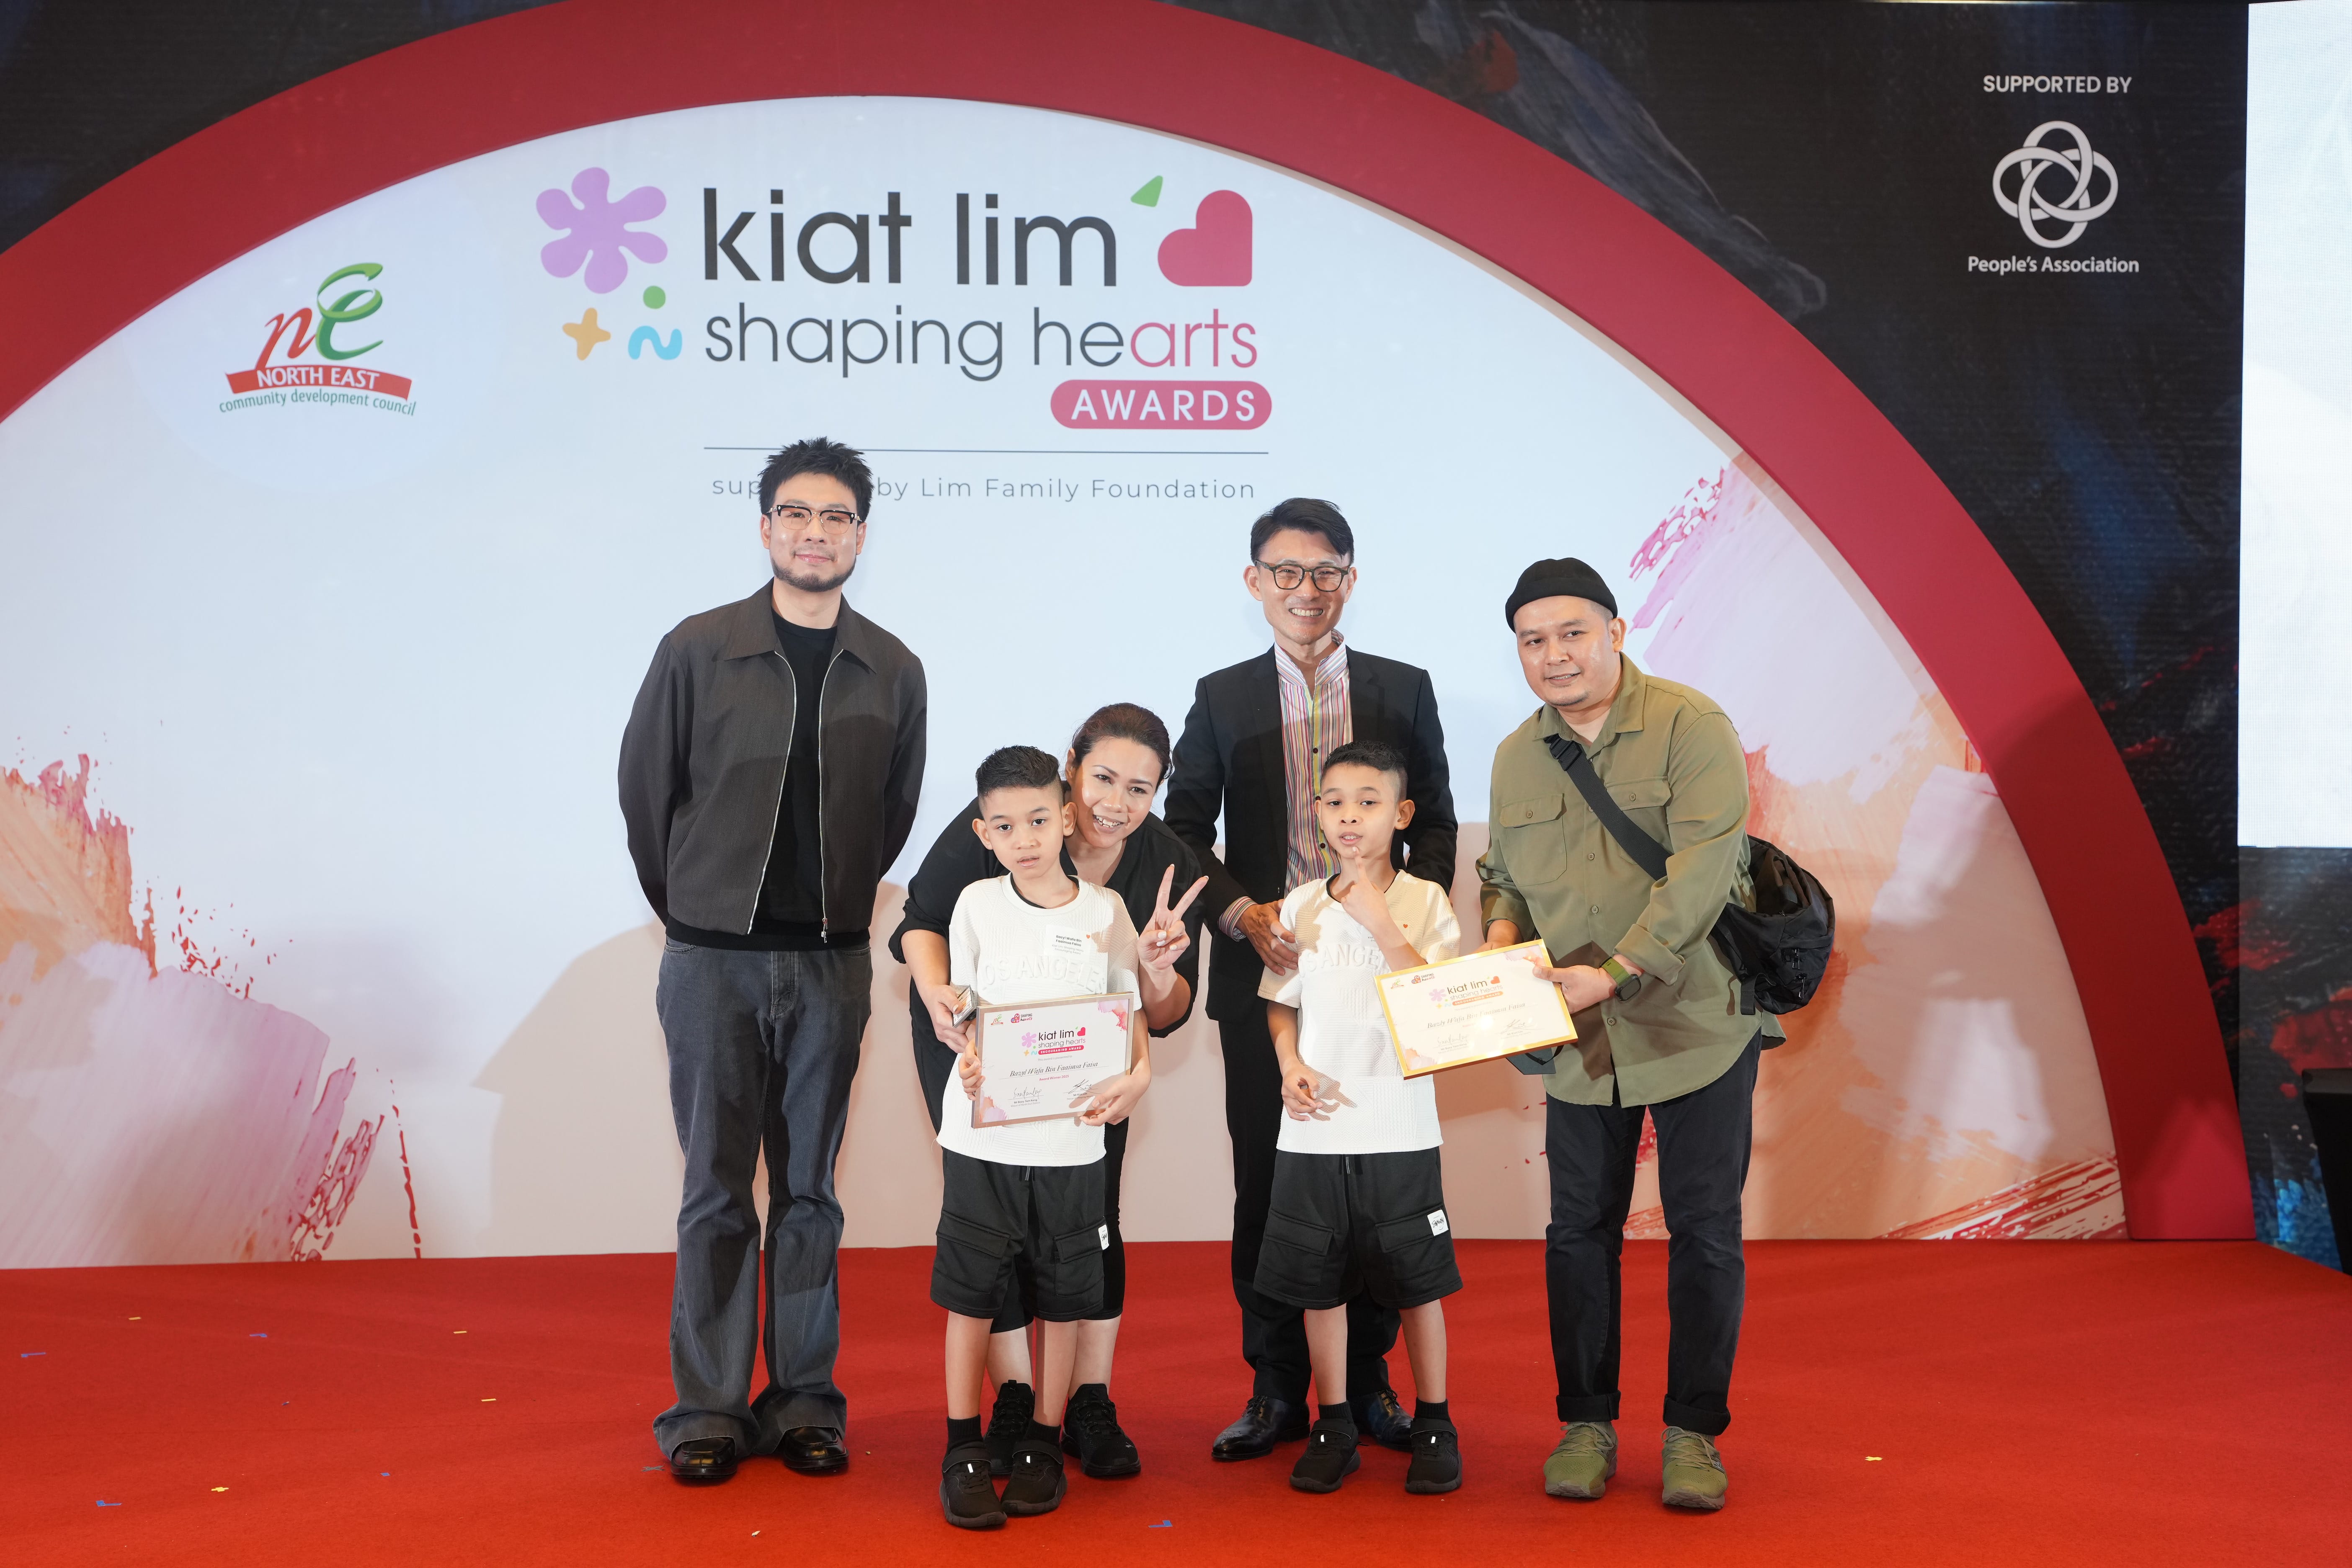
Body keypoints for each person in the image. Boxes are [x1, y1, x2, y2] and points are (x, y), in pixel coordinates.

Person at [617, 437, 926, 1484]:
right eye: (796, 514)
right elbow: (645, 796)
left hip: (833, 965)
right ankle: (705, 1409)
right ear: (764, 527)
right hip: (710, 964)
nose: (814, 533)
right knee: (714, 1190)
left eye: (836, 518)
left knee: (810, 1194)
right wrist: (698, 911)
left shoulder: (893, 667)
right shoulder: (699, 649)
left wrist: (834, 912)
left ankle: (804, 1402)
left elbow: (893, 816)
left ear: (861, 536)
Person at [1475, 557, 1773, 1513]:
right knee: (1576, 1235)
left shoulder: (1692, 725)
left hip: (1694, 1024)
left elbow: (1700, 874)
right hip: (1576, 1041)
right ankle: (1587, 1425)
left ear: (1616, 629)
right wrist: (1500, 938)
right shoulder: (1518, 753)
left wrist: (1613, 972)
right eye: (1533, 640)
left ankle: (1693, 1436)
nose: (1554, 656)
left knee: (1705, 1234)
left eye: (1572, 633)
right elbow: (1505, 874)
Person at [1165, 497, 1459, 1461]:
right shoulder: (1220, 695)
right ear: (1255, 582)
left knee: (1376, 1188)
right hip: (1271, 977)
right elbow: (1183, 830)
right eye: (1285, 573)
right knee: (1271, 1186)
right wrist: (1241, 914)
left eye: (1325, 571)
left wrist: (1405, 925)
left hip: (1380, 981)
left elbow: (1442, 826)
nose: (1306, 590)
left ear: (1351, 577)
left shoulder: (1403, 689)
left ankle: (1367, 1385)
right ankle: (1276, 1386)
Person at [890, 704, 1207, 1481]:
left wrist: (1158, 974)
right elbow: (923, 922)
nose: (1116, 802)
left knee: (1089, 1222)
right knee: (989, 1230)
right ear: (1071, 772)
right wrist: (941, 1001)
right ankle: (1014, 1396)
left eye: (1141, 788)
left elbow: (1160, 1012)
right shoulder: (1005, 816)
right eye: (1103, 778)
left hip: (1088, 1079)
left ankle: (1084, 1399)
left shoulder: (1149, 867)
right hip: (970, 1044)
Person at [931, 746, 1154, 1529]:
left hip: (1073, 1144)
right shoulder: (972, 906)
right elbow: (964, 1014)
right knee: (972, 1295)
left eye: (1036, 820)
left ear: (1065, 819)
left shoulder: (1106, 913)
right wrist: (962, 1040)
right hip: (985, 1140)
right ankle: (962, 1448)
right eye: (1004, 825)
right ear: (982, 833)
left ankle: (1043, 1443)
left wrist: (1138, 1078)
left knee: (1064, 1299)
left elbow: (1127, 1023)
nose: (1023, 838)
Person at [1256, 742, 1465, 1496]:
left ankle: (1436, 1420)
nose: (1349, 815)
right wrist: (1290, 1067)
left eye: (1369, 801)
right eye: (1334, 801)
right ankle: (1335, 1421)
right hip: (1313, 1132)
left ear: (1402, 814)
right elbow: (1282, 1004)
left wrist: (1380, 922)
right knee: (1318, 1284)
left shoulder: (1426, 901)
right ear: (1317, 814)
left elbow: (1439, 1008)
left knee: (1418, 1282)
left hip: (1399, 1128)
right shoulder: (1302, 903)